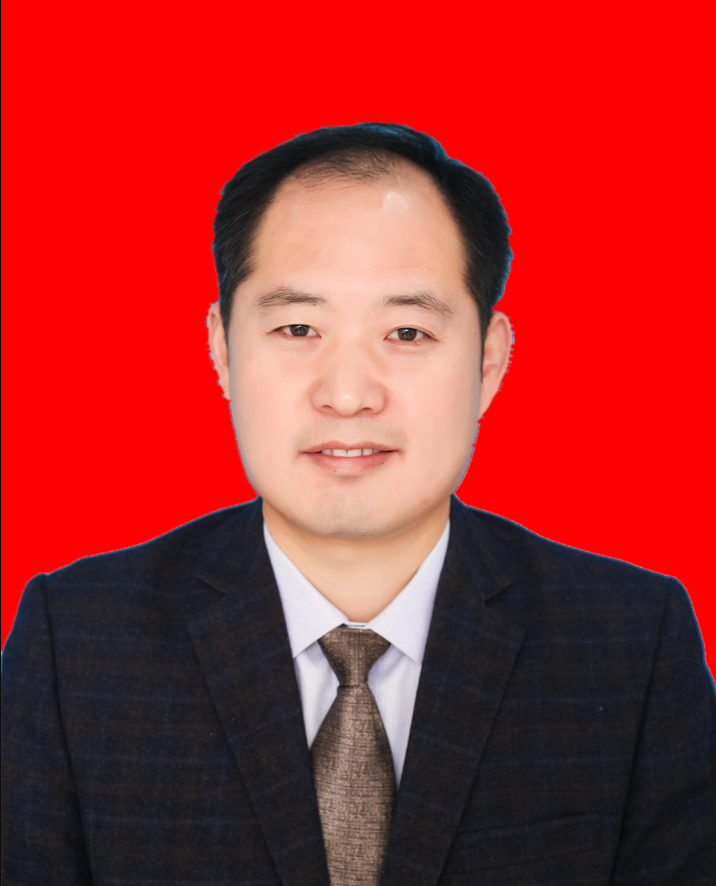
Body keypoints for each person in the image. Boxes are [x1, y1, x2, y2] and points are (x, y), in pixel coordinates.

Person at [2, 123, 714, 886]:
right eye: (297, 328)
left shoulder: (631, 643)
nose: (347, 395)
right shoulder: (75, 641)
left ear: (488, 361)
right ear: (222, 349)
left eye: (406, 331)